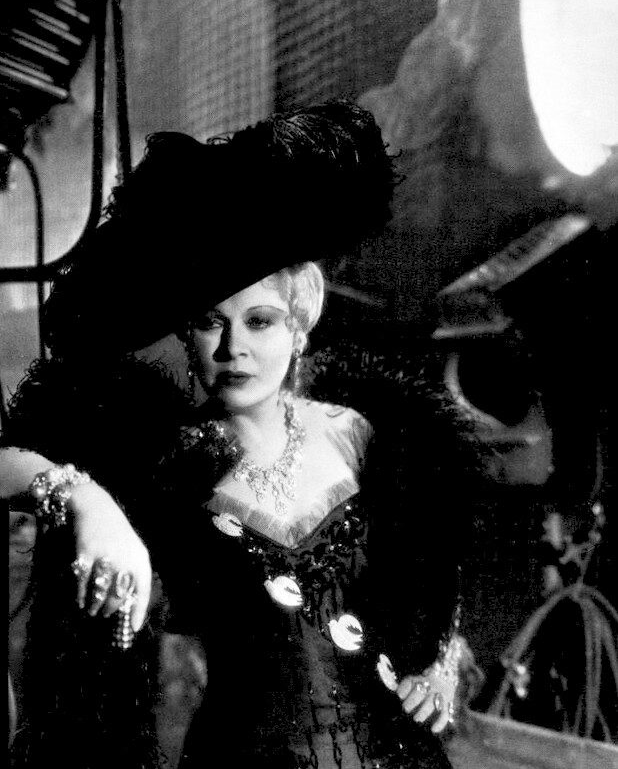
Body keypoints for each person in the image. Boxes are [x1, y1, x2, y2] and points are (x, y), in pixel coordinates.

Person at [3, 99, 472, 769]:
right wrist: (86, 500)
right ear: (186, 335)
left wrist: (441, 665)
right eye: (209, 323)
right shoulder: (165, 460)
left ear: (300, 324)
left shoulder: (370, 437)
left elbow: (424, 591)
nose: (233, 349)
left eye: (260, 321)